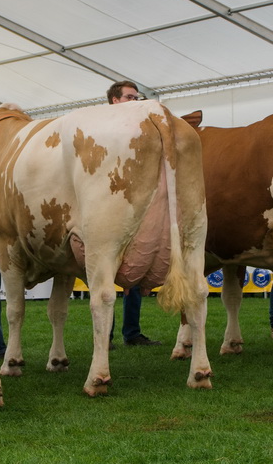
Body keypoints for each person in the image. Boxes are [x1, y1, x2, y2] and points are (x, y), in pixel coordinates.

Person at [105, 80, 160, 347]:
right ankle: (105, 334)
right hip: (105, 211)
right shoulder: (100, 128)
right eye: (130, 97)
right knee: (103, 274)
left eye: (137, 98)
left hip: (134, 210)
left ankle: (132, 332)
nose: (135, 102)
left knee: (134, 272)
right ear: (115, 100)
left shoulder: (141, 132)